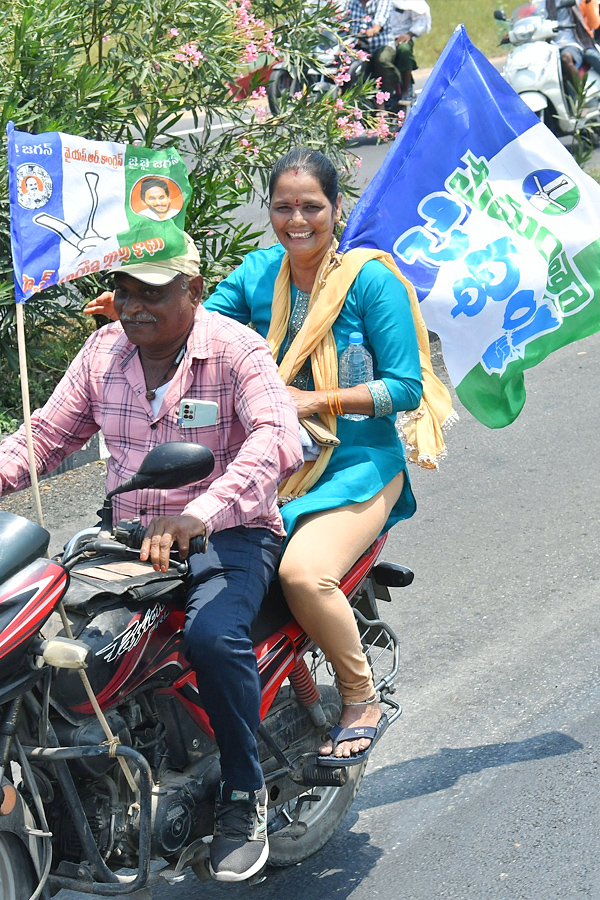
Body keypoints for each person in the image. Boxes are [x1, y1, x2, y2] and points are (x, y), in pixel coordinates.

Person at [85, 148, 455, 769]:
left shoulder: (372, 282)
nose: (297, 220)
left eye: (312, 206)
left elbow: (406, 389)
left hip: (357, 466)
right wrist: (135, 310)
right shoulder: (260, 274)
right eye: (283, 207)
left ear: (338, 208)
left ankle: (359, 698)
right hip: (272, 464)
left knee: (303, 575)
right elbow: (196, 325)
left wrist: (315, 398)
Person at [0, 235, 304, 883]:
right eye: (128, 290)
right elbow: (45, 436)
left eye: (154, 291)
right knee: (54, 647)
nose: (135, 307)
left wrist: (202, 512)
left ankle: (243, 797)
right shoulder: (103, 351)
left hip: (230, 532)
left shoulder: (235, 350)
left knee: (213, 637)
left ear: (194, 290)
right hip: (131, 539)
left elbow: (279, 438)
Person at [345, 0, 400, 109]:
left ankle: (383, 99)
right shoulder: (351, 2)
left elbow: (381, 17)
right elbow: (345, 19)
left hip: (381, 44)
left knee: (382, 60)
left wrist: (375, 28)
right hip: (359, 46)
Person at [549, 0, 600, 88]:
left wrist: (589, 3)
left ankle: (580, 96)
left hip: (580, 43)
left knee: (592, 56)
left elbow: (594, 24)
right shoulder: (540, 2)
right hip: (550, 46)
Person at [390, 0, 431, 101]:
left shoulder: (413, 2)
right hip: (382, 35)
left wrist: (409, 34)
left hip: (403, 35)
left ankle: (406, 87)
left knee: (404, 50)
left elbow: (420, 20)